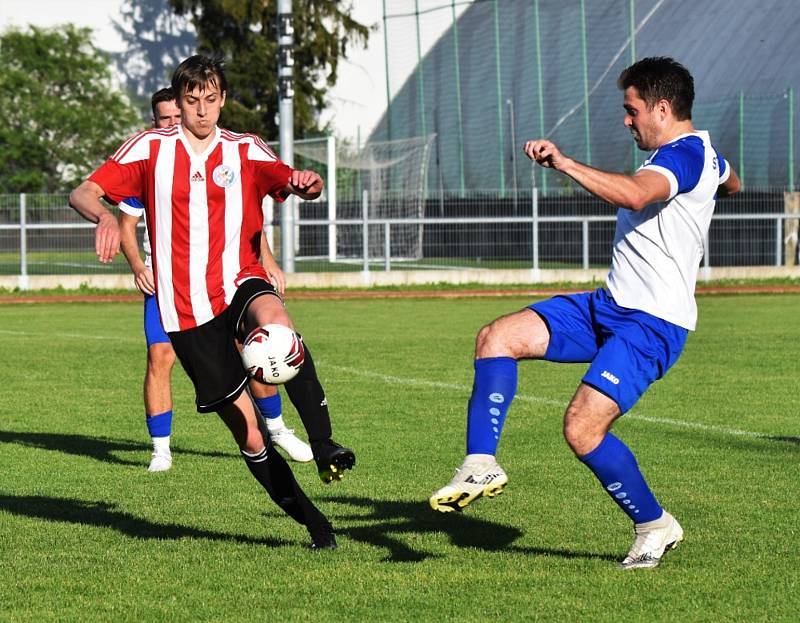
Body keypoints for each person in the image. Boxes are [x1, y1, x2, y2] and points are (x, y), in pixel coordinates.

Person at [429, 57, 741, 569]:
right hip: (609, 305)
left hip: (652, 324)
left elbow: (638, 195)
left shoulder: (681, 156)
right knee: (497, 337)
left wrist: (566, 163)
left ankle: (655, 525)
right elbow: (732, 181)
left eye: (631, 109)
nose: (626, 120)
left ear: (662, 109)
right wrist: (715, 191)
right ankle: (480, 464)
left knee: (581, 429)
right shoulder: (705, 155)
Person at [70, 55, 354, 548]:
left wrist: (310, 184)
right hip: (184, 312)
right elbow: (84, 191)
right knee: (249, 436)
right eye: (191, 100)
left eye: (210, 100)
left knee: (279, 330)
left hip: (238, 279)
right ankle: (314, 523)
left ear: (222, 99)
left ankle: (325, 444)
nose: (201, 111)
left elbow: (296, 181)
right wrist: (105, 218)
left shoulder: (245, 149)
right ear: (178, 103)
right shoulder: (148, 149)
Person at [118, 87, 313, 472]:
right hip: (169, 284)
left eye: (179, 115)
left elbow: (244, 219)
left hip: (221, 279)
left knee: (251, 346)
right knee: (160, 356)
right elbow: (126, 225)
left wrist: (267, 259)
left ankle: (276, 429)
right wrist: (140, 266)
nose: (175, 123)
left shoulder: (222, 156)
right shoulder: (151, 162)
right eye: (165, 118)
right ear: (154, 122)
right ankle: (161, 449)